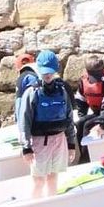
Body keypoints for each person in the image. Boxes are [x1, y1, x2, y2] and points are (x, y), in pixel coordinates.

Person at [17, 51, 78, 199]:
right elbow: (24, 120)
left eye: (50, 72)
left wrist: (71, 144)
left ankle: (52, 204)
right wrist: (26, 147)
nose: (47, 76)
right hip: (39, 142)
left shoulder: (62, 90)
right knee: (38, 180)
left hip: (58, 140)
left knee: (53, 178)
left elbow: (69, 118)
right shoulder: (32, 92)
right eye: (44, 73)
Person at [75, 55, 104, 149]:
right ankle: (81, 153)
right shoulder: (83, 81)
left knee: (88, 125)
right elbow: (81, 101)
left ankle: (87, 157)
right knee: (80, 123)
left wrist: (101, 124)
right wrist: (82, 116)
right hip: (97, 113)